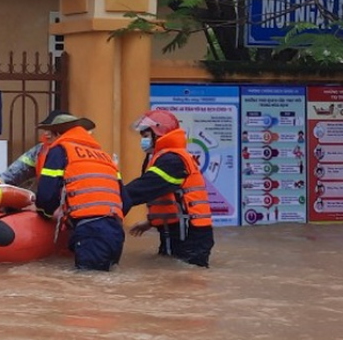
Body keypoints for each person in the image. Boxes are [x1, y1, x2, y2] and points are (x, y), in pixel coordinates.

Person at [33, 111, 126, 271]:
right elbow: (126, 199)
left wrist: (45, 214)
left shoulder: (61, 150)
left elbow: (47, 193)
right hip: (116, 231)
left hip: (90, 231)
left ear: (58, 133)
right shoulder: (103, 156)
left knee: (87, 286)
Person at [123, 108, 214, 267]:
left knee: (181, 281)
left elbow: (144, 188)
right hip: (182, 231)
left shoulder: (172, 160)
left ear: (158, 133)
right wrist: (151, 222)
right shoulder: (168, 157)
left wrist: (113, 199)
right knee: (172, 276)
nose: (142, 141)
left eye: (145, 136)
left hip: (187, 234)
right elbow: (170, 198)